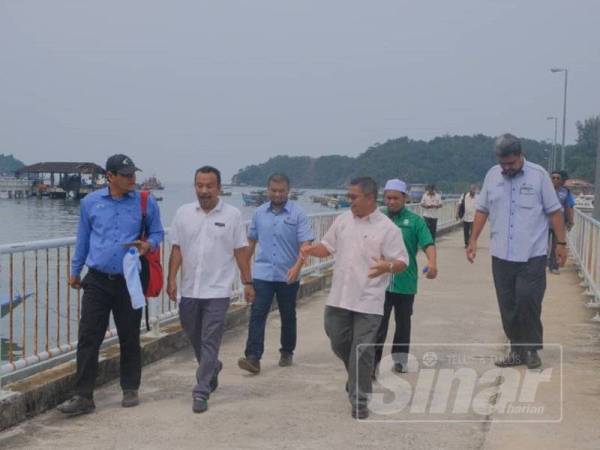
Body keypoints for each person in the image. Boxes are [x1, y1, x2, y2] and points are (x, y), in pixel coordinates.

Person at [58, 154, 164, 416]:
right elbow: (83, 239)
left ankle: (130, 388)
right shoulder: (90, 203)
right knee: (88, 337)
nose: (132, 179)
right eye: (126, 175)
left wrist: (148, 244)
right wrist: (74, 272)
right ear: (110, 176)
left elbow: (157, 232)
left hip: (130, 278)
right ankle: (83, 395)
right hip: (96, 279)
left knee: (129, 335)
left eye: (133, 174)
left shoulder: (145, 201)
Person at [301, 177, 408, 419]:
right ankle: (356, 376)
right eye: (348, 196)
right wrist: (310, 250)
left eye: (353, 197)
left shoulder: (388, 229)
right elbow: (327, 247)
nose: (349, 201)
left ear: (370, 198)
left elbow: (402, 262)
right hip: (339, 297)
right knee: (337, 340)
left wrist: (387, 266)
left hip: (369, 300)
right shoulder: (342, 220)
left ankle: (360, 400)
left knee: (362, 350)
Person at [466, 134, 567, 369]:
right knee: (508, 305)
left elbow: (555, 212)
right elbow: (482, 210)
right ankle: (517, 350)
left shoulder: (539, 175)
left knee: (528, 301)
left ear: (521, 156)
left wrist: (561, 245)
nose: (507, 168)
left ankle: (531, 350)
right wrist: (473, 239)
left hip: (532, 254)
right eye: (503, 163)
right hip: (501, 255)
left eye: (511, 163)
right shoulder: (492, 175)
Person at [167, 166, 254, 414]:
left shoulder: (233, 215)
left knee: (210, 340)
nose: (204, 190)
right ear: (195, 186)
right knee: (193, 335)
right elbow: (176, 249)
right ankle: (212, 366)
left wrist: (248, 282)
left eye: (209, 186)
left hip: (217, 290)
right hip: (189, 290)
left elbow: (240, 251)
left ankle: (201, 390)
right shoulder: (183, 213)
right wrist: (171, 279)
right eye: (199, 185)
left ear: (219, 187)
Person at [238, 173, 314, 374]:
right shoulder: (259, 213)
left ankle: (287, 351)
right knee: (257, 314)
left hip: (287, 274)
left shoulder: (298, 214)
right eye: (273, 190)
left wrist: (297, 267)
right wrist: (245, 273)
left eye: (281, 191)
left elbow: (306, 244)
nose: (277, 194)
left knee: (288, 315)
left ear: (288, 191)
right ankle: (253, 357)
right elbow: (251, 242)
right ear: (268, 190)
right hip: (262, 274)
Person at [373, 179, 437, 376]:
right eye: (388, 198)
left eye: (396, 198)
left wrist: (432, 263)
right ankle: (372, 364)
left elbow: (428, 243)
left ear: (405, 198)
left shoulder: (415, 221)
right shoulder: (377, 218)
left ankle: (399, 361)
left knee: (403, 324)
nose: (391, 202)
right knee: (377, 326)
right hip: (379, 283)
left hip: (405, 282)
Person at [548, 170, 575, 274]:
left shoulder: (566, 192)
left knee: (557, 245)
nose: (555, 179)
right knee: (541, 245)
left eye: (557, 178)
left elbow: (569, 207)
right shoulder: (545, 190)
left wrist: (570, 221)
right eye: (553, 177)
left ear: (562, 181)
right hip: (544, 223)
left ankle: (554, 266)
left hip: (559, 224)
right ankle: (541, 266)